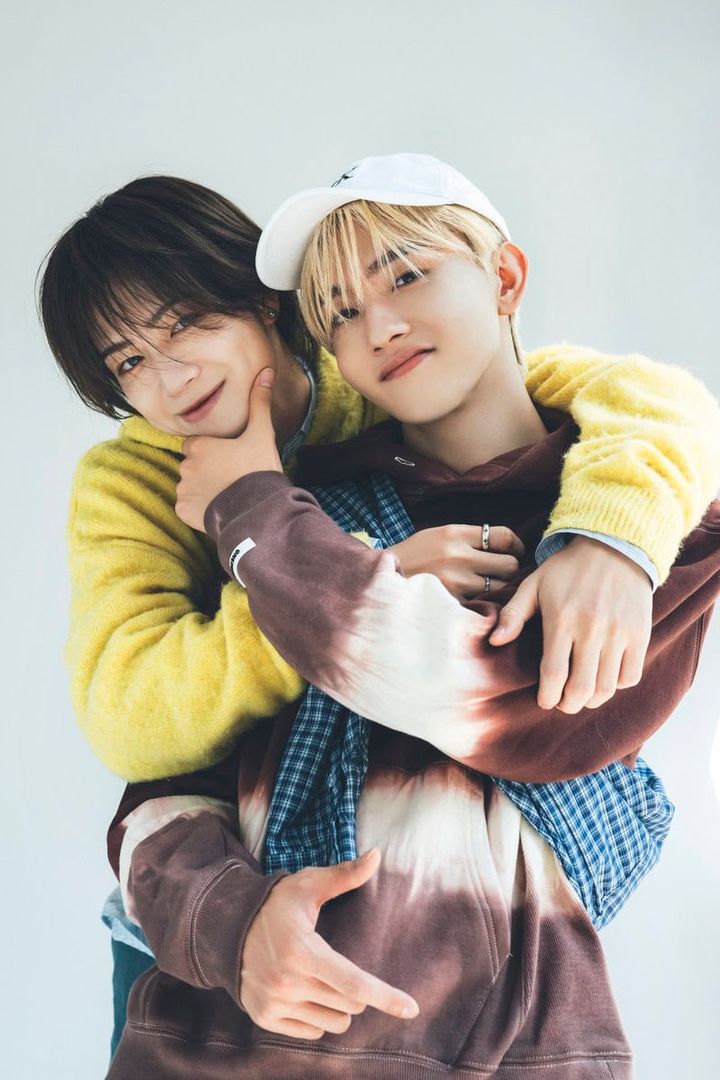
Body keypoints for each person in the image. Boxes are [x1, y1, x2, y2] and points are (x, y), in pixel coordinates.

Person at [98, 155, 720, 1078]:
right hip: (217, 1047)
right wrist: (231, 923)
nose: (378, 325)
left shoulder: (648, 518)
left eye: (406, 275)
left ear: (505, 277)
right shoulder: (306, 511)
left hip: (499, 1051)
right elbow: (162, 789)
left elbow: (508, 705)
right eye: (339, 313)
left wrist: (255, 516)